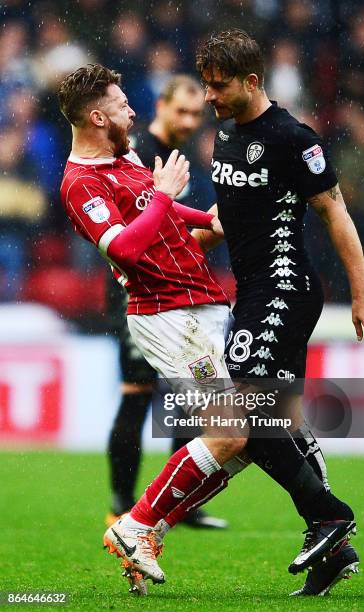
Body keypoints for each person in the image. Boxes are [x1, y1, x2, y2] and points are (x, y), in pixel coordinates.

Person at [58, 63, 362, 595]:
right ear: (99, 116)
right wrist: (161, 196)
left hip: (202, 306)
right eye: (123, 102)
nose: (134, 109)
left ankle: (150, 527)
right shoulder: (79, 182)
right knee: (235, 430)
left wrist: (211, 220)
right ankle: (136, 523)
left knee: (249, 438)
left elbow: (168, 212)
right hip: (165, 316)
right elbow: (126, 247)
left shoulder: (123, 156)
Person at [191, 29, 364, 595]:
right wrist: (169, 249)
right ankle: (332, 545)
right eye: (206, 85)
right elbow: (228, 215)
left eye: (219, 86)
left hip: (283, 289)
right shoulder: (228, 139)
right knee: (278, 421)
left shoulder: (292, 138)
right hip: (251, 291)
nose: (211, 96)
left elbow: (335, 213)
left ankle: (328, 515)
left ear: (252, 81)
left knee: (250, 414)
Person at [106, 74, 228, 530]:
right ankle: (120, 503)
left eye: (197, 114)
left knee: (188, 396)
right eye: (182, 110)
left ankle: (183, 501)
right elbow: (128, 237)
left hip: (175, 286)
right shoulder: (134, 151)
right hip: (135, 288)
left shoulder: (187, 157)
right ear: (161, 105)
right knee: (137, 393)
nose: (189, 121)